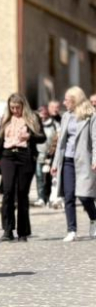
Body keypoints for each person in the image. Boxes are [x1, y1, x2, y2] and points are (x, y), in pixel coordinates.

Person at [0, 93, 46, 242]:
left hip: (25, 156)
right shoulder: (5, 119)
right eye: (12, 108)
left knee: (22, 194)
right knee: (8, 191)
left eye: (17, 107)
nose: (15, 110)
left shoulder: (32, 118)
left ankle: (23, 231)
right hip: (8, 155)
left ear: (23, 106)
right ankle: (8, 229)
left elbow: (42, 137)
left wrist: (30, 137)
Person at [51, 86, 96, 241]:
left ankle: (94, 218)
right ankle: (71, 230)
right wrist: (55, 163)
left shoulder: (91, 116)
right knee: (68, 196)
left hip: (84, 160)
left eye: (67, 100)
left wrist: (95, 159)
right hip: (68, 160)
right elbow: (61, 143)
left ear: (75, 101)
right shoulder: (66, 117)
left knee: (84, 196)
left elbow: (95, 139)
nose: (64, 103)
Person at [34, 105, 60, 207]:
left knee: (50, 177)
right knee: (39, 177)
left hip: (51, 155)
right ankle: (41, 197)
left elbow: (58, 136)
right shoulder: (36, 125)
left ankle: (50, 197)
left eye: (44, 114)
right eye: (40, 115)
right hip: (39, 154)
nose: (43, 117)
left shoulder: (54, 124)